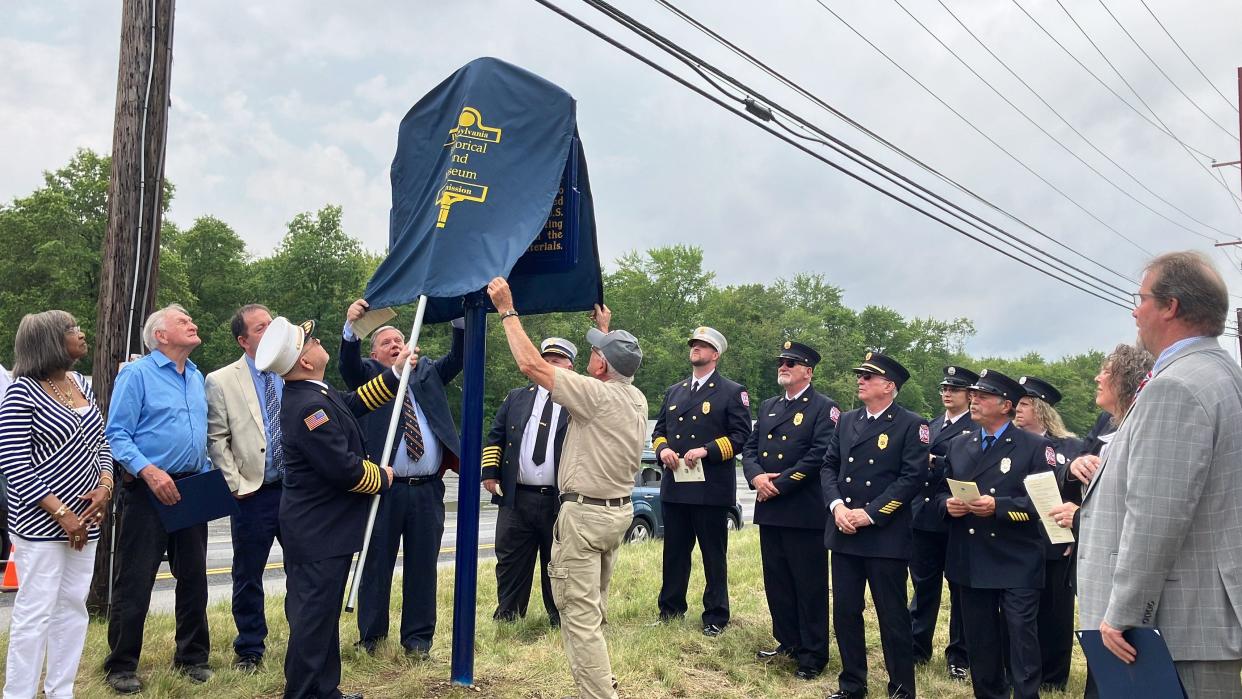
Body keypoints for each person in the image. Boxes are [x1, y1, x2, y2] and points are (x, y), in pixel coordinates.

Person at [1076, 251, 1242, 697]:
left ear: (1170, 306)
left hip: (1170, 625)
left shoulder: (1178, 385)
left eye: (1142, 298)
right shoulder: (1219, 372)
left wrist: (1125, 610)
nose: (1135, 310)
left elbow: (1156, 514)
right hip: (1191, 620)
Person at [487, 277, 647, 699]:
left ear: (599, 366)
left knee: (577, 616)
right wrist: (608, 331)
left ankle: (598, 694)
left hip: (585, 517)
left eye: (596, 350)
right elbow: (617, 364)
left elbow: (531, 366)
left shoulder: (595, 395)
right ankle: (603, 681)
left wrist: (507, 309)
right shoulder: (635, 397)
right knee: (592, 609)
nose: (592, 353)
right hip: (615, 514)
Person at [256, 316, 405, 699]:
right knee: (312, 620)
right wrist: (384, 478)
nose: (318, 342)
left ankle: (325, 689)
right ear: (305, 361)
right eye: (311, 341)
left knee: (322, 618)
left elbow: (354, 403)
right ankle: (304, 692)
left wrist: (395, 374)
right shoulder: (307, 407)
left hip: (325, 531)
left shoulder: (315, 393)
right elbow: (343, 469)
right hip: (318, 532)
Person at [339, 299, 463, 658]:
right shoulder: (367, 374)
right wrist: (352, 329)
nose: (395, 345)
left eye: (399, 340)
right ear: (375, 353)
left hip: (426, 490)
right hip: (384, 490)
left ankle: (418, 641)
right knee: (376, 564)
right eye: (387, 343)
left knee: (423, 567)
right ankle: (373, 639)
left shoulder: (425, 372)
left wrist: (457, 316)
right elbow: (347, 363)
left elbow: (457, 359)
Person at [0, 312, 113, 699]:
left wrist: (105, 485)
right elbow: (14, 464)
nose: (81, 334)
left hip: (87, 521)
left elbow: (102, 442)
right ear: (50, 340)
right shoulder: (21, 392)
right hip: (41, 527)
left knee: (72, 608)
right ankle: (19, 693)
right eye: (72, 329)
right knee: (35, 613)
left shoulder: (82, 384)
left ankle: (60, 691)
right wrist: (63, 514)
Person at [104, 304, 213, 694]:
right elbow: (116, 434)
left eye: (190, 317)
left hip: (191, 488)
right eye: (183, 321)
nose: (192, 322)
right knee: (135, 580)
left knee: (194, 579)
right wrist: (149, 470)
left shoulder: (196, 376)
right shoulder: (137, 374)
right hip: (148, 490)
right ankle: (120, 665)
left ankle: (193, 658)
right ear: (161, 336)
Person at [938, 369, 1052, 699]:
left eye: (983, 396)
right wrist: (949, 505)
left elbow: (1042, 505)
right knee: (981, 640)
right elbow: (938, 491)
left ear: (1006, 406)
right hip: (972, 558)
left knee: (1020, 636)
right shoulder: (960, 445)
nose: (974, 400)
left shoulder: (1034, 447)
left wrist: (998, 507)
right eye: (973, 394)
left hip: (1017, 558)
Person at [1047, 344, 1152, 699]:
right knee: (1101, 665)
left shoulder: (1144, 424)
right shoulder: (1108, 421)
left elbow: (1142, 503)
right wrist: (1073, 469)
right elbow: (1075, 461)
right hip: (1094, 567)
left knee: (1124, 668)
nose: (1097, 377)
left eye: (1105, 371)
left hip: (1123, 567)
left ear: (1125, 379)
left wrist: (1079, 517)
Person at [821, 351, 928, 699]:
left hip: (884, 536)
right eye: (861, 375)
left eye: (869, 376)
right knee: (846, 612)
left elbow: (912, 478)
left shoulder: (912, 425)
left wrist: (869, 513)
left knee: (892, 616)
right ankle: (852, 684)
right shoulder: (848, 419)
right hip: (844, 532)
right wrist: (837, 507)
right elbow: (829, 466)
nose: (861, 380)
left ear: (889, 386)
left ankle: (901, 688)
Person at [740, 341, 838, 680]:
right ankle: (788, 641)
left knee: (808, 585)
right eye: (782, 361)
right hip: (770, 509)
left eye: (791, 363)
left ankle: (813, 654)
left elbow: (818, 456)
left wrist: (777, 484)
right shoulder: (768, 406)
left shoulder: (824, 408)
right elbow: (749, 448)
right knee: (777, 581)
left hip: (801, 510)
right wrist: (754, 477)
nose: (784, 366)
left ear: (808, 371)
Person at [650, 326, 751, 636]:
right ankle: (670, 610)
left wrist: (707, 450)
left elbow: (741, 438)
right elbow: (659, 431)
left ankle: (716, 616)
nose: (695, 348)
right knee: (675, 554)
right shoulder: (675, 390)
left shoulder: (732, 392)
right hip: (676, 486)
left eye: (703, 345)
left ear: (715, 354)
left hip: (710, 490)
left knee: (713, 556)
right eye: (694, 343)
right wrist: (663, 449)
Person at [205, 304, 284, 671]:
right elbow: (217, 438)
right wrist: (235, 484)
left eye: (271, 323)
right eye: (260, 327)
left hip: (295, 490)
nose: (269, 330)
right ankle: (250, 648)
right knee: (248, 573)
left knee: (305, 569)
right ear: (243, 340)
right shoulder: (222, 380)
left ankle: (307, 640)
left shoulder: (290, 368)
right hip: (254, 493)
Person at [482, 337, 577, 628]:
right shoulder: (516, 397)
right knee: (510, 560)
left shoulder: (577, 401)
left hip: (558, 500)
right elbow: (496, 436)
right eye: (545, 359)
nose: (548, 365)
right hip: (516, 497)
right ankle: (508, 617)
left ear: (570, 367)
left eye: (556, 361)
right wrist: (489, 473)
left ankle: (558, 620)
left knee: (558, 563)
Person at [908, 365, 978, 681]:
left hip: (956, 518)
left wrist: (937, 462)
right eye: (944, 388)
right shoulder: (931, 425)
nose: (947, 393)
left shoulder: (976, 428)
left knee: (960, 591)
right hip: (924, 516)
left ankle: (959, 655)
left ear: (969, 395)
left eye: (955, 389)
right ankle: (916, 647)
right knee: (923, 587)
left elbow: (971, 466)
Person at [1014, 375, 1082, 692]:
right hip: (1019, 538)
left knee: (1056, 611)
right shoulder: (1010, 445)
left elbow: (1079, 495)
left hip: (1057, 541)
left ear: (1041, 409)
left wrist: (1074, 535)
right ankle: (1019, 669)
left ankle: (1054, 677)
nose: (1017, 409)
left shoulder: (1071, 448)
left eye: (1025, 404)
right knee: (1019, 613)